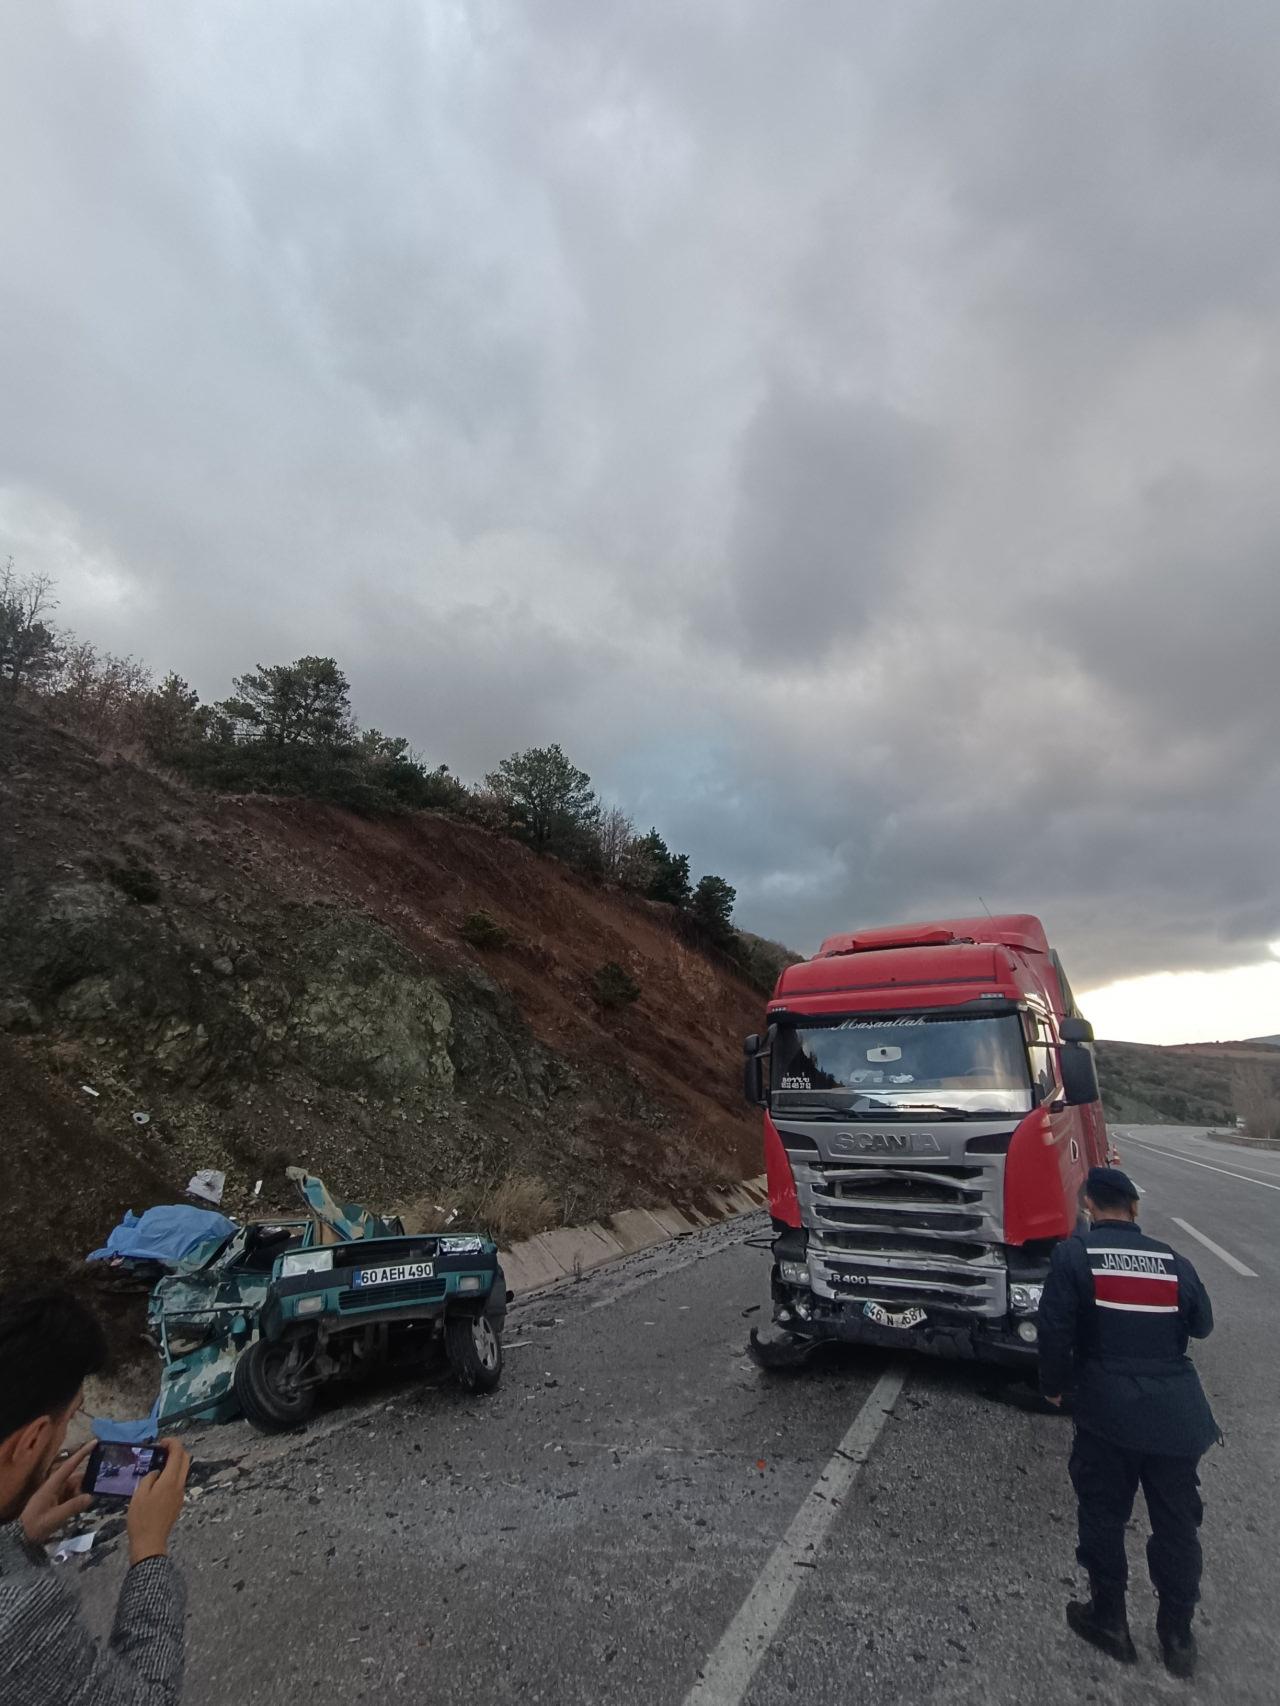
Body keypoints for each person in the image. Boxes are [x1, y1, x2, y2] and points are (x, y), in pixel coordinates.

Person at [1038, 1166, 1218, 1678]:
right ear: (1134, 1208)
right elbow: (1202, 1325)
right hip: (1178, 1418)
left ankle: (1109, 1619)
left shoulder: (1075, 1256)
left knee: (1103, 1513)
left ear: (1088, 1205)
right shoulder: (1172, 1260)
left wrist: (1053, 1386)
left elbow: (1054, 1330)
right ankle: (1178, 1636)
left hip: (1109, 1414)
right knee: (1178, 1525)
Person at [0, 1291, 192, 1704]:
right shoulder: (18, 1621)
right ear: (31, 1438)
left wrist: (18, 1536)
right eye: (71, 1418)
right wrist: (149, 1553)